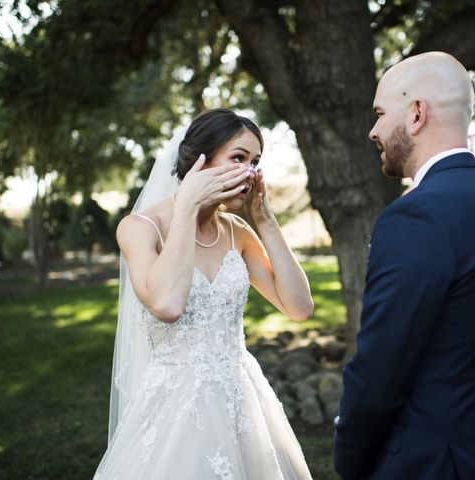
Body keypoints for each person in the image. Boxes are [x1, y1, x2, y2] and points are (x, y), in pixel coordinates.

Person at [333, 52, 475, 479]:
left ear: (416, 114)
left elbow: (378, 372)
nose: (372, 130)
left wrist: (349, 461)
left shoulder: (417, 216)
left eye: (379, 113)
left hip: (432, 464)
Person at [94, 108, 314, 479]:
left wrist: (265, 220)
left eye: (256, 162)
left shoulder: (237, 231)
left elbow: (299, 307)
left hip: (242, 400)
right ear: (199, 160)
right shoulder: (139, 229)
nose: (250, 173)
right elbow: (166, 304)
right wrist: (188, 209)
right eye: (239, 158)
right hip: (176, 410)